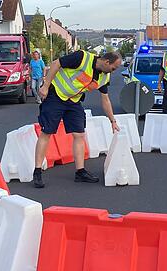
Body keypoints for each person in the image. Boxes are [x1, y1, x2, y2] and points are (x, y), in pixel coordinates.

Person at [34, 50, 122, 187]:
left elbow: (105, 99)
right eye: (113, 68)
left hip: (73, 101)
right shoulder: (82, 57)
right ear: (106, 62)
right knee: (47, 132)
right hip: (55, 95)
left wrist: (113, 121)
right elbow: (56, 63)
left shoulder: (104, 77)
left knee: (79, 134)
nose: (113, 71)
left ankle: (80, 172)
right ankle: (37, 171)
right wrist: (45, 86)